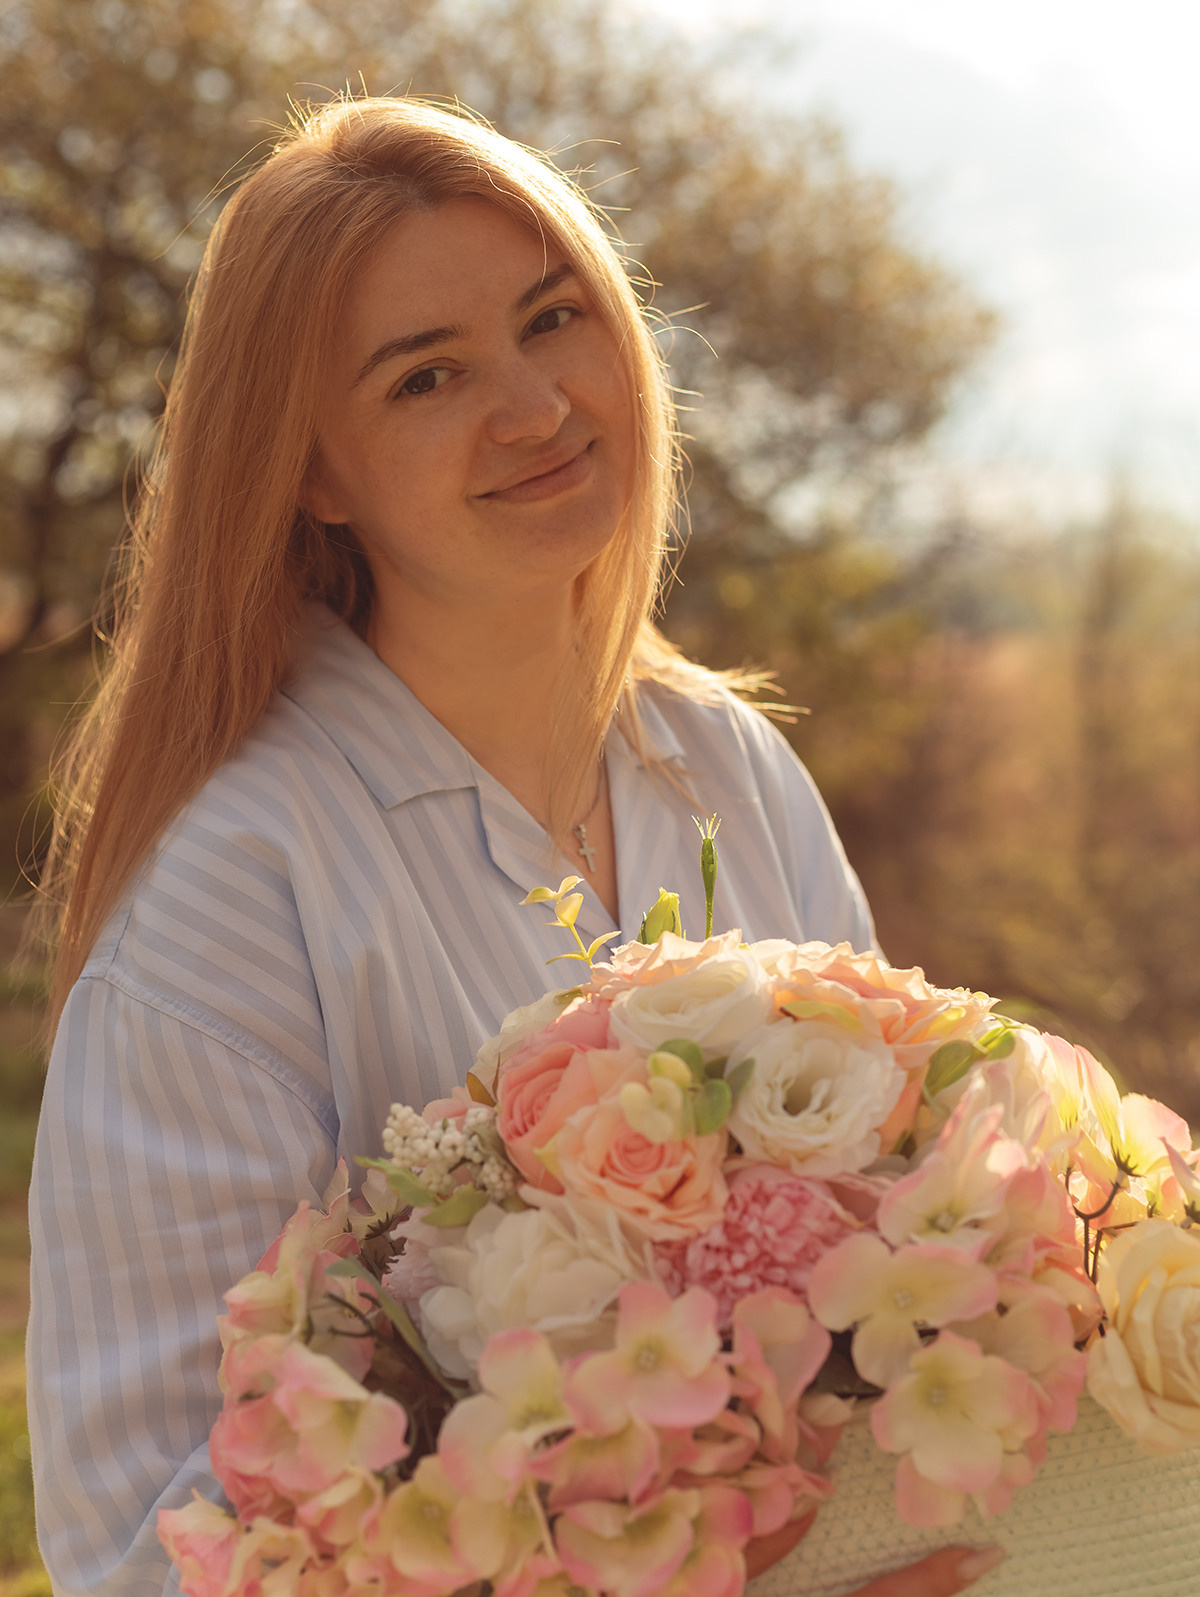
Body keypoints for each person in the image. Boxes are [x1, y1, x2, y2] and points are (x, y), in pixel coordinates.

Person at [26, 96, 1003, 1597]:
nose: (537, 406)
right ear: (312, 473)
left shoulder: (727, 764)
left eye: (555, 318)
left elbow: (894, 1266)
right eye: (428, 375)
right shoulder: (234, 888)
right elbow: (135, 1546)